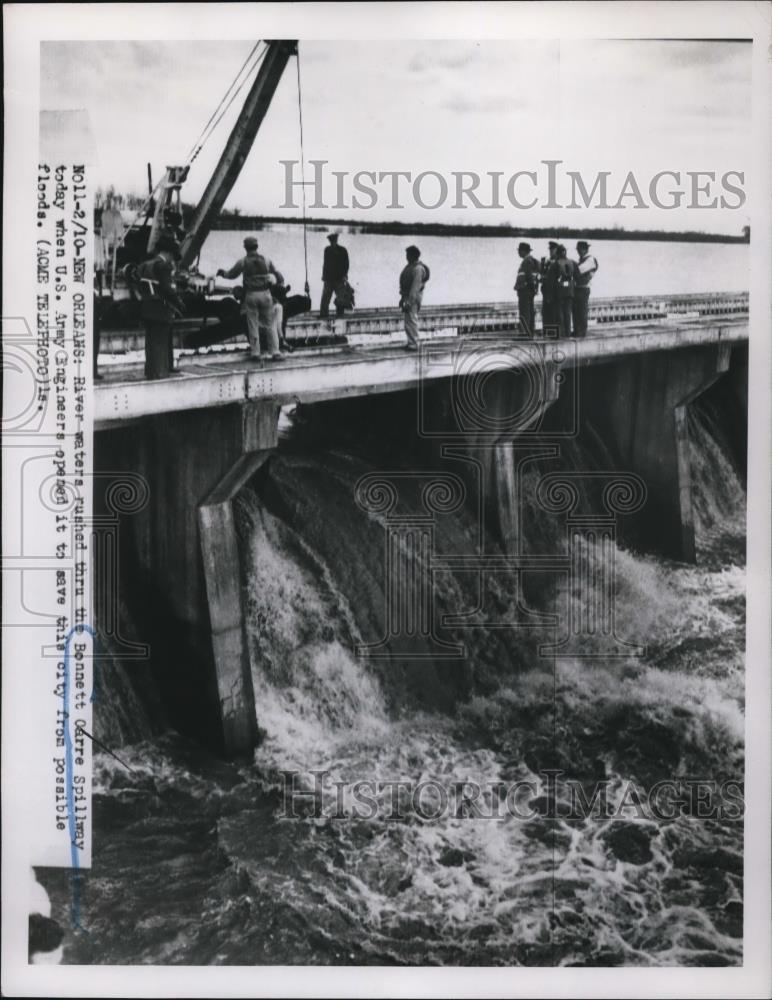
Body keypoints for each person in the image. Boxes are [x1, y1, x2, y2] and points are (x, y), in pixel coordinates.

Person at [217, 236, 285, 361]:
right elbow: (278, 275)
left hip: (251, 295)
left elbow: (232, 274)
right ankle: (275, 352)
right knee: (270, 324)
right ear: (257, 247)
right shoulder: (266, 260)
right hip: (266, 295)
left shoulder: (243, 261)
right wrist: (279, 281)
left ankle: (256, 353)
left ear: (245, 248)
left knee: (253, 324)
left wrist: (223, 274)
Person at [136, 234, 184, 379]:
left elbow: (140, 285)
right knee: (161, 342)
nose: (172, 259)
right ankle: (160, 373)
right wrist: (179, 303)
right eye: (172, 255)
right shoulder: (164, 266)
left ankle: (150, 372)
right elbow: (168, 289)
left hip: (147, 308)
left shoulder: (145, 265)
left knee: (150, 342)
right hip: (161, 309)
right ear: (168, 253)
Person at [399, 245, 430, 350]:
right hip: (407, 296)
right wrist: (403, 298)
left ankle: (414, 343)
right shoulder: (411, 266)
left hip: (414, 297)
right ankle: (411, 342)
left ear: (413, 255)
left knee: (412, 319)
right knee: (408, 320)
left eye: (408, 254)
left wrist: (409, 301)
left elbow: (415, 288)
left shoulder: (418, 269)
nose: (406, 257)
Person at [319, 232, 350, 318]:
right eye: (331, 241)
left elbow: (346, 264)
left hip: (339, 279)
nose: (332, 243)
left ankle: (340, 315)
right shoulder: (327, 250)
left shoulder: (343, 250)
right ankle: (324, 316)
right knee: (325, 299)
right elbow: (325, 264)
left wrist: (345, 275)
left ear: (336, 240)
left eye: (333, 241)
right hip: (328, 279)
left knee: (340, 299)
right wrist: (323, 276)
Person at [573, 240, 599, 337]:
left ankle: (581, 331)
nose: (578, 251)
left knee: (582, 310)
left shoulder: (590, 260)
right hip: (578, 288)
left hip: (583, 289)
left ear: (584, 249)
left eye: (579, 249)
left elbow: (579, 270)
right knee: (576, 311)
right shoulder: (582, 259)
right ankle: (577, 331)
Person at [514, 241, 540, 337]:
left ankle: (525, 334)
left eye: (520, 251)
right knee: (529, 311)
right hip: (529, 290)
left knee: (524, 312)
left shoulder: (526, 261)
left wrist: (531, 288)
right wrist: (534, 289)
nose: (518, 253)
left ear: (524, 251)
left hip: (525, 290)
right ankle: (530, 332)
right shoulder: (533, 260)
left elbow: (529, 276)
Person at [555, 244, 578, 338]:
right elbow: (578, 275)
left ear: (558, 253)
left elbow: (550, 279)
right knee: (567, 313)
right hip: (570, 291)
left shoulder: (556, 263)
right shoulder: (572, 262)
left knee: (560, 312)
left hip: (560, 291)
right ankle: (568, 333)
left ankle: (561, 333)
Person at [539, 240, 560, 333]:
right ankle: (546, 330)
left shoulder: (558, 262)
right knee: (546, 312)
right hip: (546, 290)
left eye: (553, 249)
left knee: (553, 312)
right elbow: (543, 275)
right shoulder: (547, 261)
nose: (551, 251)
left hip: (554, 291)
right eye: (550, 249)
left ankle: (553, 332)